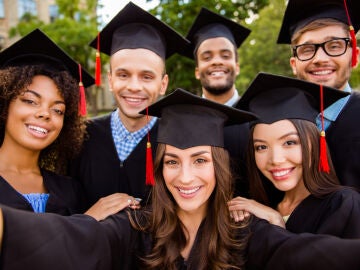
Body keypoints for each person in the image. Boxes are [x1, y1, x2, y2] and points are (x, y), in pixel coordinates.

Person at [1, 89, 360, 270]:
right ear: (158, 169)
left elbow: (307, 254)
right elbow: (75, 239)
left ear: (219, 167)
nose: (184, 177)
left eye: (200, 160)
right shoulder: (135, 226)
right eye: (172, 161)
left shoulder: (245, 231)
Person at [68, 2, 190, 215]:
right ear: (110, 79)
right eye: (123, 75)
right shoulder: (81, 136)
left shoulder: (179, 140)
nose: (134, 86)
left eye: (147, 76)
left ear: (163, 84)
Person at [229, 73, 360, 238]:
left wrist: (276, 223)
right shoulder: (258, 205)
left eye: (289, 143)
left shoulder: (344, 205)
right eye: (261, 147)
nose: (275, 159)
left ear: (314, 142)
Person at [0, 28, 94, 215]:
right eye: (30, 101)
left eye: (57, 110)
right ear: (4, 104)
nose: (45, 114)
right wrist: (87, 222)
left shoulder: (70, 191)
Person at [277, 0, 360, 190]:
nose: (320, 59)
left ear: (354, 54)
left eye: (334, 46)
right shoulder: (278, 125)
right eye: (307, 49)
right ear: (293, 64)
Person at [181, 7, 252, 197]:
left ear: (236, 67)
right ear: (197, 71)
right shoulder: (183, 123)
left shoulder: (257, 120)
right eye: (207, 57)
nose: (216, 62)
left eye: (225, 55)